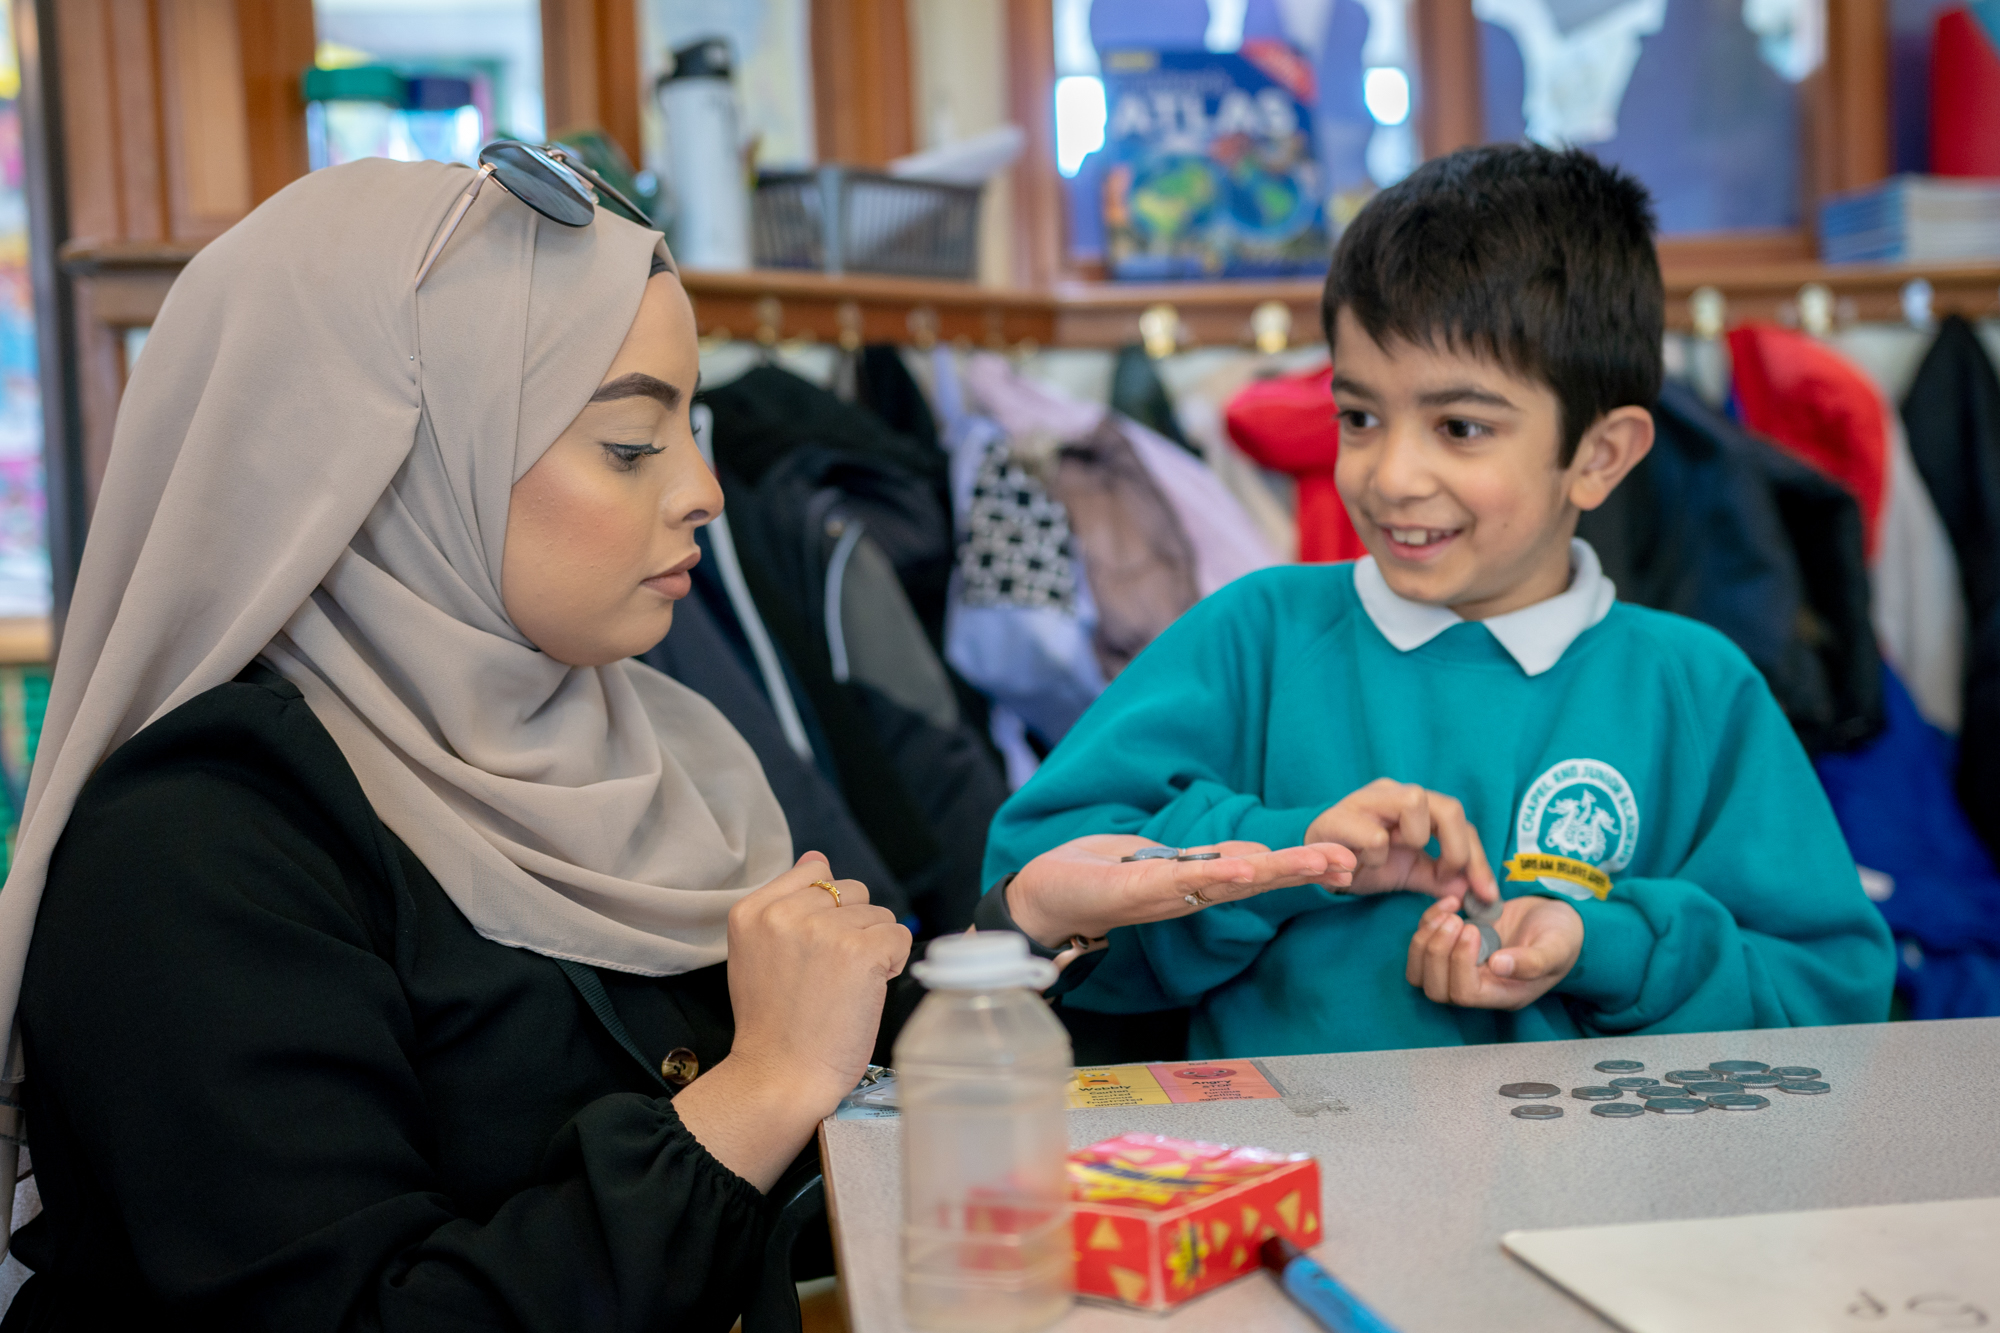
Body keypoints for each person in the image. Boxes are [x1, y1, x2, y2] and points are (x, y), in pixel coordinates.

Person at [0, 157, 1357, 1331]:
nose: (707, 493)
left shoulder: (655, 745)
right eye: (632, 443)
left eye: (687, 434)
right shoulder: (192, 855)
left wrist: (1020, 940)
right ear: (404, 465)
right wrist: (757, 1091)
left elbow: (821, 1092)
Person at [982, 145, 1897, 1057]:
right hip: (1290, 1192)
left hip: (1604, 1200)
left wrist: (1601, 943)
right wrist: (1288, 853)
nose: (1392, 475)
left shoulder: (1695, 688)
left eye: (1460, 427)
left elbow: (1832, 1002)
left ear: (1600, 455)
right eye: (1359, 417)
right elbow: (1033, 888)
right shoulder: (1253, 634)